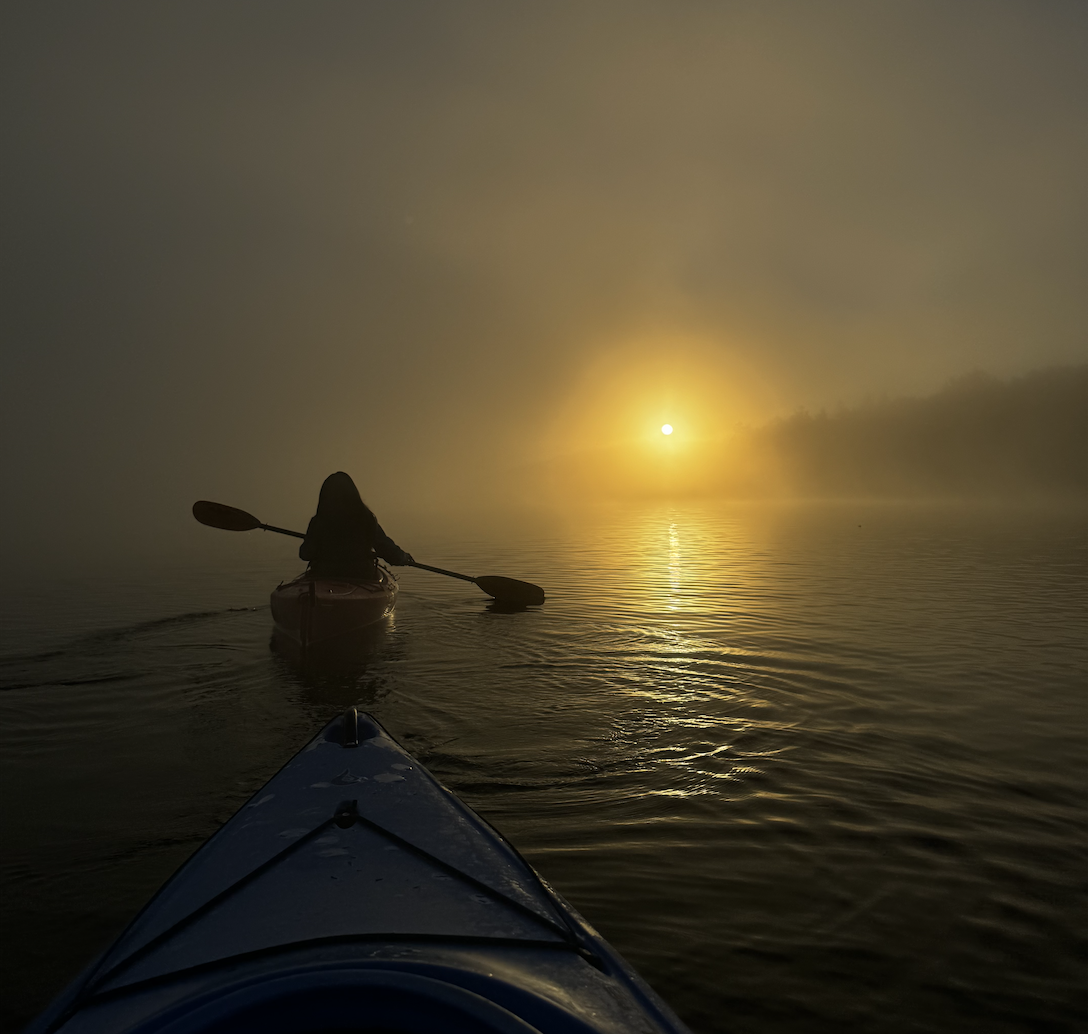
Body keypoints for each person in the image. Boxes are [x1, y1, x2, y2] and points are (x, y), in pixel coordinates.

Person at [299, 472, 414, 580]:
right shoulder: (366, 519)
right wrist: (404, 557)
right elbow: (387, 550)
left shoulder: (319, 521)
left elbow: (305, 554)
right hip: (361, 576)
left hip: (325, 575)